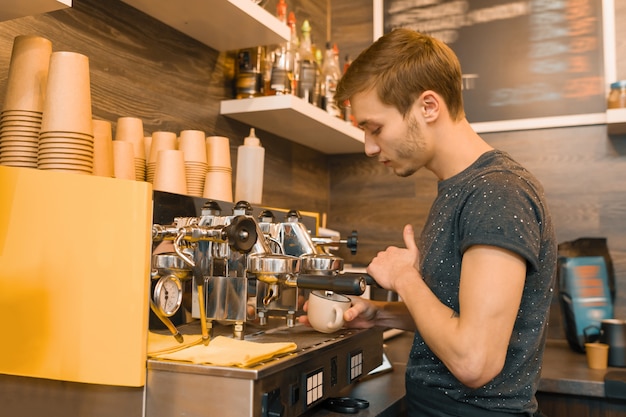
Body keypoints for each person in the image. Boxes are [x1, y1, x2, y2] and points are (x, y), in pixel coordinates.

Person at [300, 28, 557, 417]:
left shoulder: (499, 193)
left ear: (428, 107)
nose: (369, 147)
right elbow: (456, 317)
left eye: (375, 128)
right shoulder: (458, 188)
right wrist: (380, 315)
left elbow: (475, 360)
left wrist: (405, 278)